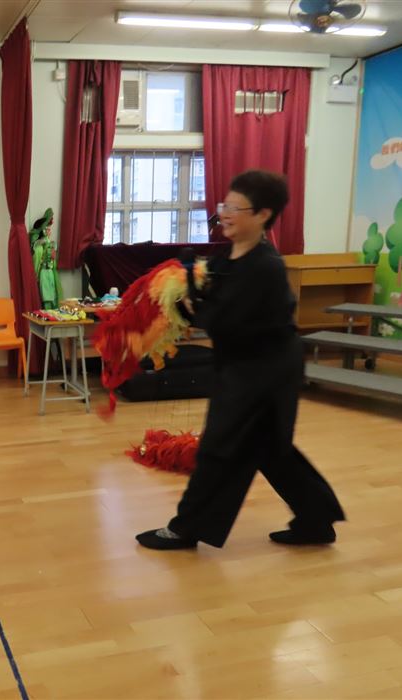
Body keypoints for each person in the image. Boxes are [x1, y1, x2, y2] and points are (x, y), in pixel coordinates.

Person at [135, 170, 345, 551]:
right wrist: (183, 295)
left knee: (219, 446)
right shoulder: (230, 258)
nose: (225, 214)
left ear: (263, 214)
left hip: (265, 372)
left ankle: (185, 529)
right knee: (271, 449)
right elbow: (213, 305)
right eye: (224, 206)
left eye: (236, 208)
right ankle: (316, 520)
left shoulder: (265, 267)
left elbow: (225, 320)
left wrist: (193, 305)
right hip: (246, 366)